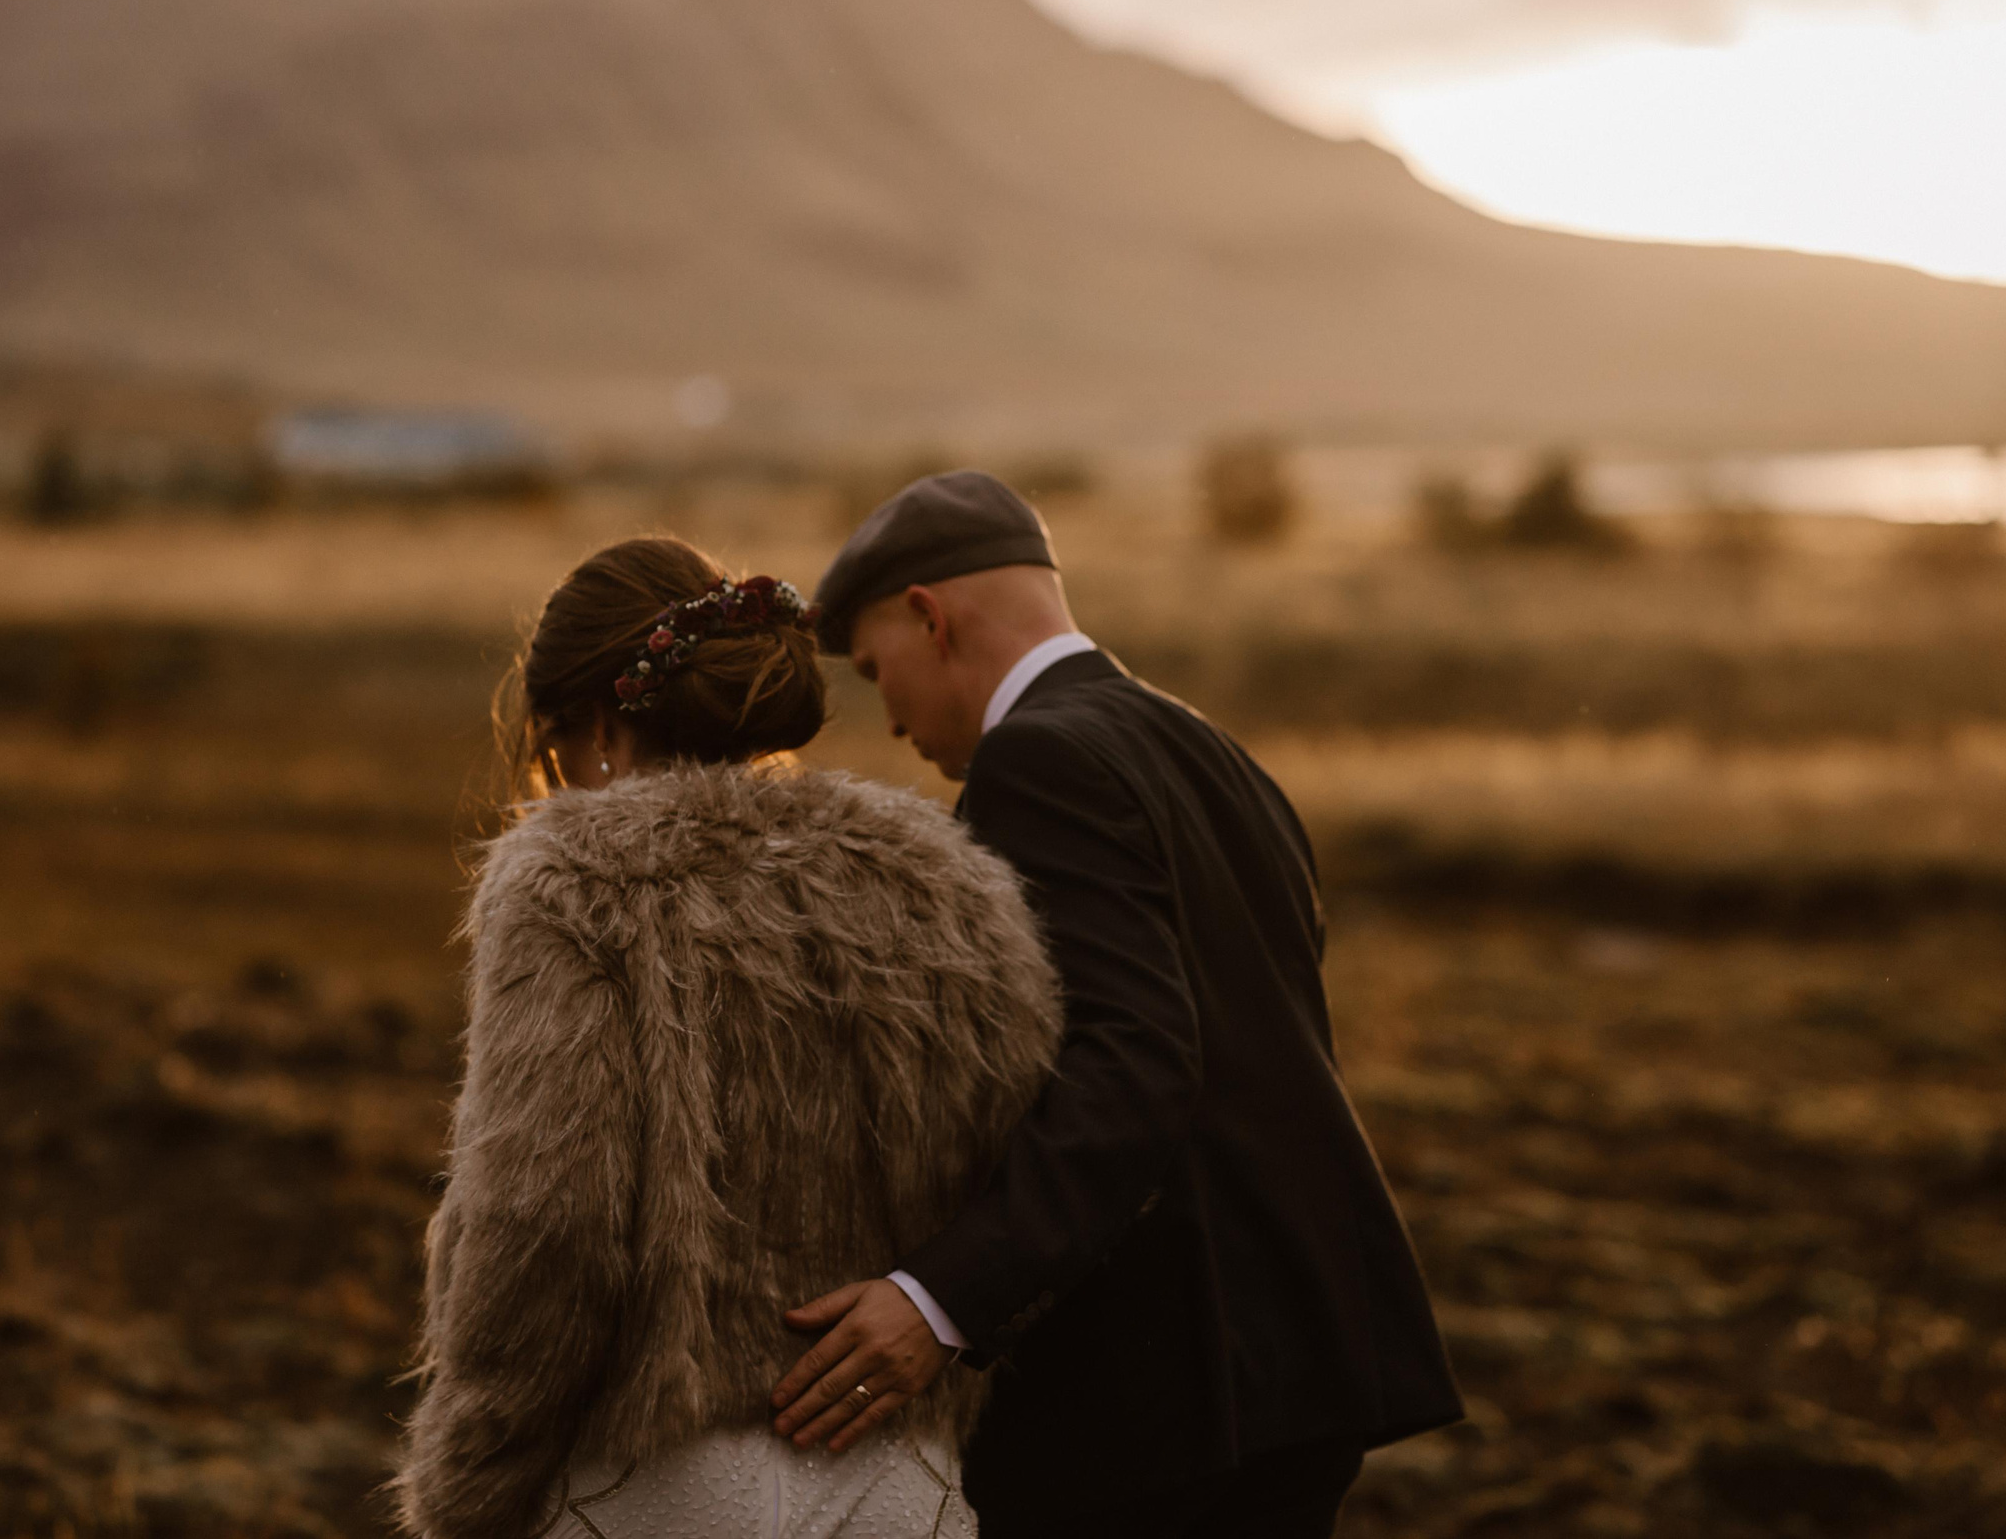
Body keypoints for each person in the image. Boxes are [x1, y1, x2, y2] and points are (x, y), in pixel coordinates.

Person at [770, 472, 1462, 1539]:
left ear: (927, 614)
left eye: (874, 670)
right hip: (1302, 1358)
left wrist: (938, 1298)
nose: (890, 714)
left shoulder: (1036, 760)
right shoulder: (1206, 746)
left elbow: (1135, 1063)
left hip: (1169, 1398)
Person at [396, 536, 1063, 1539]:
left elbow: (545, 1221)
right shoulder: (948, 882)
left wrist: (469, 1479)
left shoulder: (580, 882)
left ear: (603, 723)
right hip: (902, 1482)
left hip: (652, 1484)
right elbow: (1018, 1162)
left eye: (551, 746)